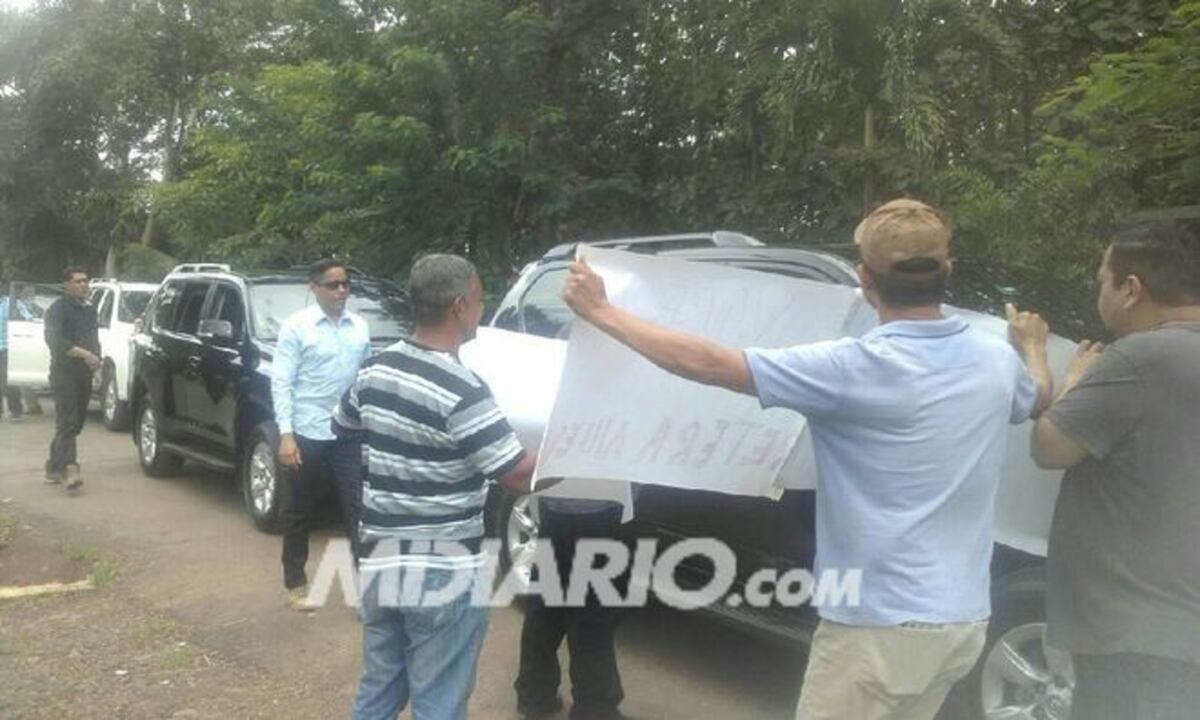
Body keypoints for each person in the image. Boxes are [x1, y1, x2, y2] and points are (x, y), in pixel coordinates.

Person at [562, 198, 1053, 720]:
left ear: (865, 279)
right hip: (962, 621)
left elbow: (709, 363)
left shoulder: (855, 365)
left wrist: (602, 311)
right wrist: (1034, 349)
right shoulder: (996, 360)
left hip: (878, 627)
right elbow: (1039, 397)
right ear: (946, 270)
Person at [335, 253, 541, 720]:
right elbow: (515, 474)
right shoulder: (463, 390)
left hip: (380, 557)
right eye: (480, 300)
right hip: (443, 567)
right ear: (459, 306)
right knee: (439, 704)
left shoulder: (375, 368)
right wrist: (575, 455)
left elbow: (342, 423)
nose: (482, 310)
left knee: (378, 692)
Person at [1026, 222, 1200, 720]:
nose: (1099, 292)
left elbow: (1050, 447)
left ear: (1131, 289)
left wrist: (1068, 378)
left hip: (1137, 634)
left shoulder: (1141, 357)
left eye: (1102, 280)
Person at [271, 259, 372, 611]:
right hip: (307, 431)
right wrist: (286, 435)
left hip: (348, 433)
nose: (341, 290)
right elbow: (282, 381)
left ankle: (364, 594)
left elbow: (365, 378)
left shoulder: (359, 327)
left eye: (345, 284)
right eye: (333, 285)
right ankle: (295, 584)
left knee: (358, 510)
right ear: (314, 288)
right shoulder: (297, 327)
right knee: (298, 510)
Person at [514, 496, 629, 720]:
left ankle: (535, 695)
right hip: (600, 508)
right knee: (591, 614)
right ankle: (594, 707)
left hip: (554, 504)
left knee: (546, 606)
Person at [43, 267, 101, 492]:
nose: (83, 285)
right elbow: (55, 341)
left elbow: (94, 340)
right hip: (63, 373)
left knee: (75, 425)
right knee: (67, 422)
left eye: (86, 281)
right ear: (67, 285)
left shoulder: (89, 310)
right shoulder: (57, 309)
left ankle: (53, 466)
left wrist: (96, 366)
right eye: (78, 281)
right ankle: (70, 468)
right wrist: (84, 354)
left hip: (83, 374)